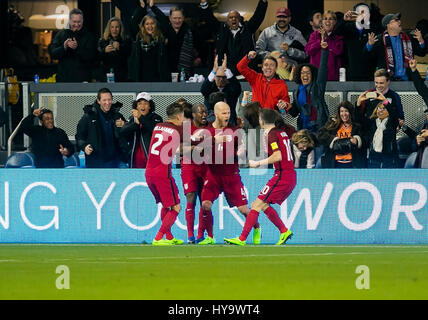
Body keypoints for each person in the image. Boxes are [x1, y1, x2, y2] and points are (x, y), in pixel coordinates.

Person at [224, 109, 296, 246]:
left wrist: (258, 163)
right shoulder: (280, 132)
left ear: (261, 120)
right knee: (263, 205)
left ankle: (242, 239)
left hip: (282, 175)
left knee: (256, 205)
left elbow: (278, 156)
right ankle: (284, 230)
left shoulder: (272, 134)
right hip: (287, 174)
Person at [197, 102, 260, 245]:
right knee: (205, 204)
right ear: (216, 114)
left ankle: (256, 227)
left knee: (243, 209)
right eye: (224, 113)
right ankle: (210, 237)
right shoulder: (207, 132)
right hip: (213, 175)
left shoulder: (233, 131)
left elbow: (241, 146)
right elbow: (197, 150)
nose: (227, 115)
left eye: (228, 112)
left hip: (231, 176)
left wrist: (240, 151)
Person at [145, 102, 185, 245]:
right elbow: (183, 147)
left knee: (165, 206)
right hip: (163, 174)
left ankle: (168, 237)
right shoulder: (178, 130)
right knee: (176, 207)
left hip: (149, 173)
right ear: (179, 116)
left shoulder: (157, 127)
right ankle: (158, 237)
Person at [199, 0, 268, 77]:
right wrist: (204, 4)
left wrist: (263, 2)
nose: (233, 19)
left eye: (236, 17)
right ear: (227, 20)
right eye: (231, 17)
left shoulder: (248, 28)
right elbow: (209, 19)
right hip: (226, 73)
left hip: (247, 71)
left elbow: (258, 16)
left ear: (240, 19)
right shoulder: (221, 29)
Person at [363, 12, 426, 80]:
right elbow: (366, 59)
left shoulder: (408, 38)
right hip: (387, 81)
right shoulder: (379, 39)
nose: (400, 21)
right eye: (396, 20)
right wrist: (369, 45)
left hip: (407, 80)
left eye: (399, 20)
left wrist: (421, 41)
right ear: (388, 25)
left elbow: (422, 53)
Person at [181, 103, 211, 243]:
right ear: (193, 115)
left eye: (205, 111)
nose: (204, 114)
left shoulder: (211, 127)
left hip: (206, 168)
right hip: (189, 167)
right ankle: (190, 235)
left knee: (204, 202)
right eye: (200, 112)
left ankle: (201, 235)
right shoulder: (187, 128)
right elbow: (180, 149)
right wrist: (195, 148)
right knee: (191, 198)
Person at [75, 88, 126, 168]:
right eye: (104, 100)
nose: (107, 103)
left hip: (115, 162)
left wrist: (124, 126)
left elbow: (126, 136)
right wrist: (84, 147)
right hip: (95, 162)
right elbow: (79, 136)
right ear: (98, 101)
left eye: (109, 100)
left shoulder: (117, 116)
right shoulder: (89, 116)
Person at [288, 39, 330, 134]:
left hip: (318, 127)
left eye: (308, 73)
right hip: (303, 127)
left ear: (313, 75)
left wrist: (324, 51)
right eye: (302, 73)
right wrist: (288, 107)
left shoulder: (317, 87)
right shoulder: (297, 91)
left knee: (319, 149)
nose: (305, 75)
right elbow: (294, 113)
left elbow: (323, 68)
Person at [334, 3, 383, 81]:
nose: (363, 15)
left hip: (370, 74)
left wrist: (369, 46)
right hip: (351, 73)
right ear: (354, 14)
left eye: (366, 12)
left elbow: (379, 52)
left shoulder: (376, 29)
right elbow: (335, 32)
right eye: (361, 12)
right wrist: (344, 20)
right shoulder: (347, 27)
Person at [148, 1, 195, 78]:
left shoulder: (190, 31)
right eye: (175, 18)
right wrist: (152, 7)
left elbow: (198, 45)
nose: (177, 21)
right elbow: (161, 16)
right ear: (170, 18)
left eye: (179, 18)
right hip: (166, 68)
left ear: (183, 18)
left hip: (185, 69)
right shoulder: (165, 29)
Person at [49, 8, 96, 82]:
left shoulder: (89, 36)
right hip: (64, 80)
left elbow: (92, 57)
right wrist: (63, 47)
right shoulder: (61, 34)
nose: (76, 24)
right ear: (69, 21)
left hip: (83, 80)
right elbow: (53, 54)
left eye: (79, 22)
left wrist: (77, 48)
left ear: (83, 21)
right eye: (74, 22)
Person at [317, 101, 366, 168]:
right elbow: (320, 135)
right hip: (335, 163)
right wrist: (333, 139)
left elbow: (366, 139)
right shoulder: (333, 123)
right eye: (341, 111)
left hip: (352, 163)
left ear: (350, 112)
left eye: (346, 111)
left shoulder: (357, 126)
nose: (344, 114)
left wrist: (357, 140)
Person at [120, 92, 163, 168]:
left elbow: (155, 130)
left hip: (151, 161)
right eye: (139, 103)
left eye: (145, 103)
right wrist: (136, 124)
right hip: (134, 160)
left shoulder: (156, 118)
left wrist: (140, 118)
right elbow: (123, 132)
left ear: (150, 106)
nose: (142, 106)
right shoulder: (132, 119)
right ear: (136, 106)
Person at [200, 54, 241, 125]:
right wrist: (213, 71)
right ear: (214, 77)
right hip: (212, 119)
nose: (221, 80)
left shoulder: (231, 89)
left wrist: (226, 69)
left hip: (229, 119)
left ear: (227, 78)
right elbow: (203, 90)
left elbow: (237, 89)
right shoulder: (210, 88)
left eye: (224, 77)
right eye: (218, 77)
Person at [128, 14, 170, 82]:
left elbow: (164, 21)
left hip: (158, 79)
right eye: (147, 24)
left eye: (152, 23)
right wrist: (142, 8)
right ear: (143, 26)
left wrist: (153, 7)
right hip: (140, 79)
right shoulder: (138, 38)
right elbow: (132, 22)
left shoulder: (160, 39)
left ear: (156, 25)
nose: (150, 26)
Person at [305, 10, 344, 81]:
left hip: (332, 78)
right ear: (322, 22)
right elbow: (308, 51)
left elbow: (338, 51)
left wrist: (327, 39)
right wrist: (321, 40)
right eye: (325, 19)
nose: (327, 21)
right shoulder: (314, 35)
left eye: (330, 19)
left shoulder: (338, 38)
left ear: (335, 22)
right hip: (316, 76)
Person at [97, 17, 132, 82]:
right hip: (105, 75)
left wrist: (120, 48)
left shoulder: (126, 40)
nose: (114, 30)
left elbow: (130, 57)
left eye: (117, 27)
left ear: (120, 28)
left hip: (122, 76)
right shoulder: (102, 41)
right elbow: (96, 59)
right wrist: (104, 51)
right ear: (109, 28)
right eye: (112, 27)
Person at [366, 101, 399, 168]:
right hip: (373, 159)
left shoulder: (392, 123)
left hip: (389, 160)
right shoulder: (371, 123)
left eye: (384, 108)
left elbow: (393, 112)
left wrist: (384, 100)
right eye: (379, 108)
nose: (381, 111)